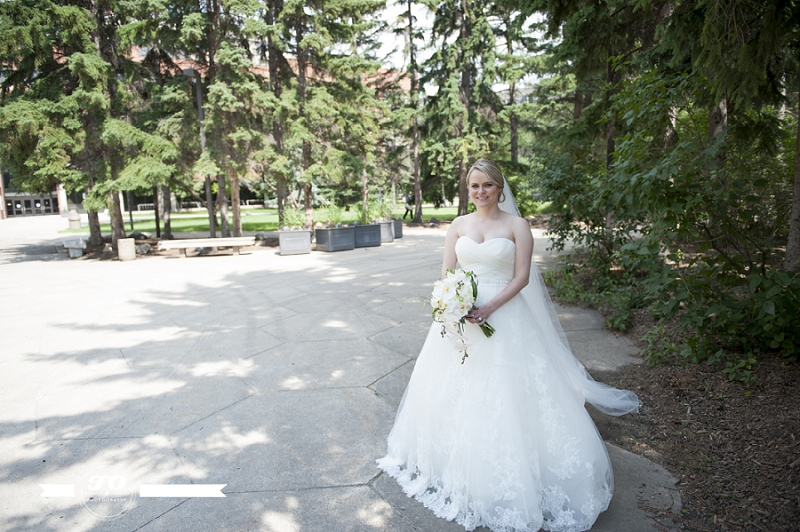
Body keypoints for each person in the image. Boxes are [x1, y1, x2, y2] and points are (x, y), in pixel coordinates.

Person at [377, 159, 640, 532]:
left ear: (500, 188)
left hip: (505, 315)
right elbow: (446, 273)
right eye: (474, 186)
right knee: (456, 389)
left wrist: (489, 307)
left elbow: (521, 278)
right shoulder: (458, 225)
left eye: (487, 185)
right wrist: (453, 303)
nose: (480, 192)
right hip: (462, 316)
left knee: (510, 392)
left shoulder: (517, 226)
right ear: (467, 190)